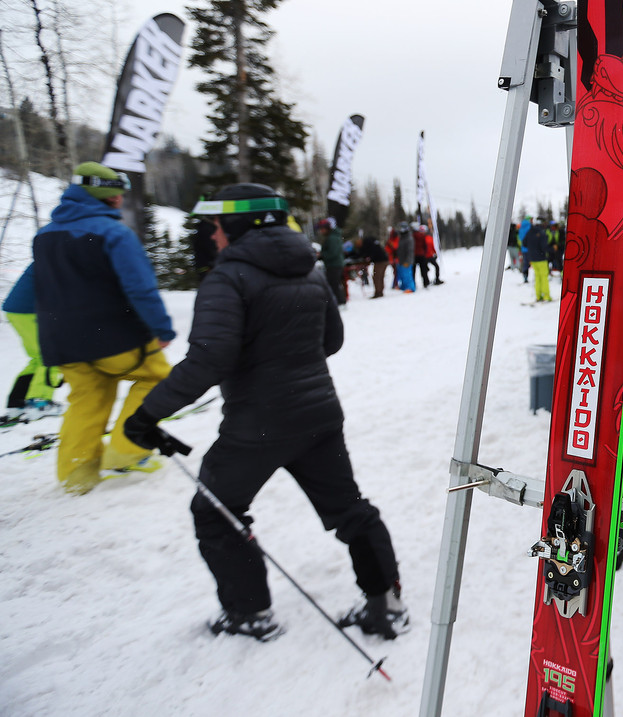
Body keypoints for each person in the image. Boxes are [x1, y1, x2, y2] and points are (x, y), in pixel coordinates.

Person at [123, 184, 407, 643]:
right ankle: (386, 607)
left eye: (214, 226)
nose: (211, 236)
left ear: (237, 224)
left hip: (256, 426)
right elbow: (329, 340)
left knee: (216, 512)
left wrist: (145, 414)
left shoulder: (228, 276)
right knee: (349, 510)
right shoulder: (310, 270)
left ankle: (248, 612)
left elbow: (208, 361)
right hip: (318, 417)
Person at [31, 162, 175, 494]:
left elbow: (34, 290)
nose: (122, 197)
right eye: (118, 191)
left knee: (86, 399)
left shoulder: (45, 235)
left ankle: (76, 474)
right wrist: (162, 329)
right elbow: (140, 288)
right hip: (115, 336)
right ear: (107, 194)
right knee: (156, 380)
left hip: (62, 340)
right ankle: (126, 453)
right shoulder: (114, 233)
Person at [3, 265, 64, 421]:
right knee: (51, 355)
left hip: (16, 310)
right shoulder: (64, 255)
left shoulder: (51, 251)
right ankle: (40, 402)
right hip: (29, 310)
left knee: (38, 357)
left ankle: (17, 402)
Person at [316, 218, 346, 306]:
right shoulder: (332, 237)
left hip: (334, 264)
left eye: (322, 229)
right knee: (334, 283)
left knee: (334, 284)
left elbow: (333, 252)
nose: (321, 231)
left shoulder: (332, 238)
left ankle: (340, 302)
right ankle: (339, 301)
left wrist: (322, 255)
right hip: (334, 264)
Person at [524, 218, 553, 302]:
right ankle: (546, 296)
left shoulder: (529, 232)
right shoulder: (541, 233)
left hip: (532, 258)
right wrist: (551, 249)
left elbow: (524, 243)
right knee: (544, 277)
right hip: (541, 258)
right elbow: (544, 247)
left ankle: (538, 295)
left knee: (537, 277)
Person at [358, 234, 390, 298]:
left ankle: (378, 292)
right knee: (379, 277)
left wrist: (368, 258)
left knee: (377, 277)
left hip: (380, 262)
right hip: (383, 260)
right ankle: (379, 291)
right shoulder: (374, 243)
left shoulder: (369, 245)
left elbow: (370, 253)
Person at [393, 222, 416, 293]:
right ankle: (404, 286)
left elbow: (410, 251)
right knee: (402, 274)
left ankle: (410, 288)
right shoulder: (401, 238)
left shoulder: (409, 238)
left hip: (407, 261)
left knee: (407, 275)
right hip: (401, 260)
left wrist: (408, 261)